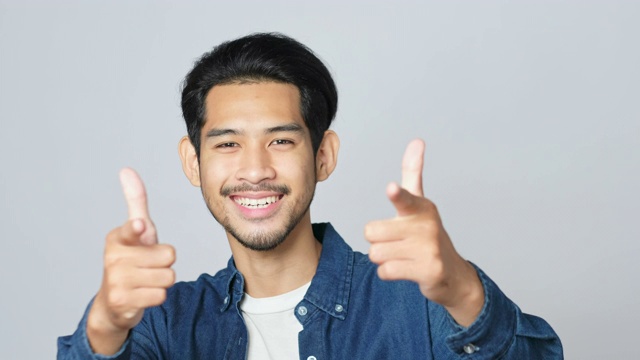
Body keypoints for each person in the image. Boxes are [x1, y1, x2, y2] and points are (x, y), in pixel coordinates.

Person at [57, 32, 563, 359]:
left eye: (281, 140)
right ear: (194, 162)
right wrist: (103, 325)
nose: (255, 170)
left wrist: (463, 292)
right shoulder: (165, 324)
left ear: (324, 155)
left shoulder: (416, 302)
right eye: (228, 143)